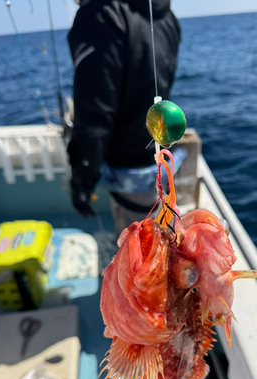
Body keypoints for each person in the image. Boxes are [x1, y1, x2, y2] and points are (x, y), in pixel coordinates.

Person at [67, 0, 182, 236]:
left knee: (139, 260)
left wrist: (82, 181)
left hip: (128, 176)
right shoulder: (168, 16)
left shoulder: (100, 15)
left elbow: (94, 112)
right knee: (160, 242)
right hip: (161, 165)